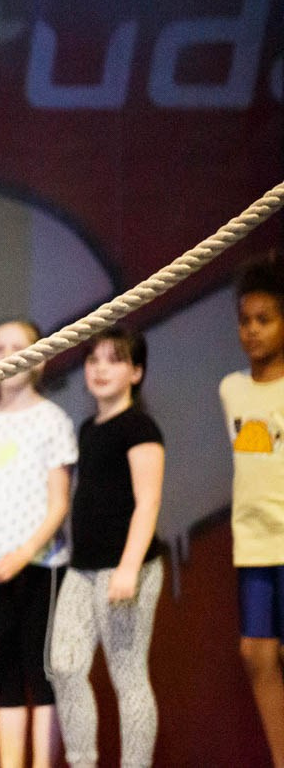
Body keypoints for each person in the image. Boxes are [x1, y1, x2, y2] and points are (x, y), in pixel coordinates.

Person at [0, 320, 77, 768]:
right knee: (4, 669)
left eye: (17, 348)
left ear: (40, 359)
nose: (6, 356)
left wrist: (24, 555)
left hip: (42, 567)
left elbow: (59, 503)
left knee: (41, 671)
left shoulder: (52, 422)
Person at [48, 326, 164, 768]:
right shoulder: (88, 428)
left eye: (113, 359)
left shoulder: (140, 426)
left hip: (126, 569)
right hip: (83, 568)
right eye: (93, 359)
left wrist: (130, 568)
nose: (99, 368)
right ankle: (83, 762)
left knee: (128, 675)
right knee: (64, 665)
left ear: (136, 372)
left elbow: (149, 499)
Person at [220, 254, 284, 768]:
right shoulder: (231, 389)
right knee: (256, 654)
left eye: (265, 320)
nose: (252, 331)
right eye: (245, 320)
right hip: (254, 543)